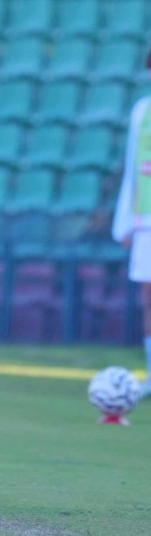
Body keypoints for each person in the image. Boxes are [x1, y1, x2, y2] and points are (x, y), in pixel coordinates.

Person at [112, 46, 151, 398]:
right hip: (147, 222)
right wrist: (125, 220)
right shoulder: (143, 111)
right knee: (149, 298)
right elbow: (133, 166)